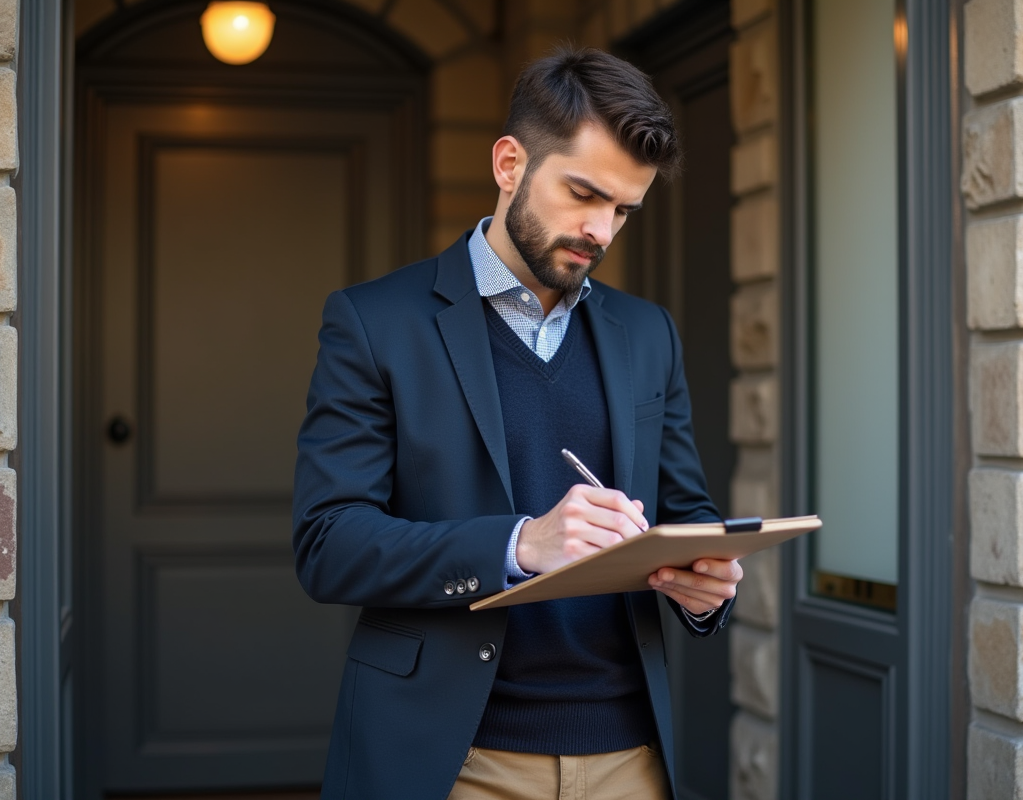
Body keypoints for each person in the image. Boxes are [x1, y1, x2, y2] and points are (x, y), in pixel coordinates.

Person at [293, 46, 743, 800]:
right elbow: (328, 543)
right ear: (510, 164)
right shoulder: (374, 323)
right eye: (583, 193)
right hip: (453, 759)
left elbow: (684, 509)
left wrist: (706, 584)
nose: (601, 230)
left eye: (623, 210)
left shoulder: (648, 333)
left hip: (632, 756)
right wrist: (520, 544)